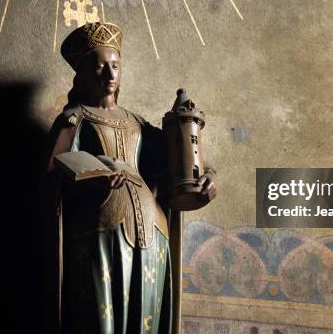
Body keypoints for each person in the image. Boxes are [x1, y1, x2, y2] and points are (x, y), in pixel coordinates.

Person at [44, 21, 217, 334]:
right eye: (99, 67)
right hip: (98, 233)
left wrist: (209, 177)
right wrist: (92, 177)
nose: (110, 75)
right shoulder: (74, 119)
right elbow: (51, 177)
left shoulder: (138, 124)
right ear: (81, 73)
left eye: (115, 66)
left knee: (146, 319)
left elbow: (179, 165)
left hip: (153, 234)